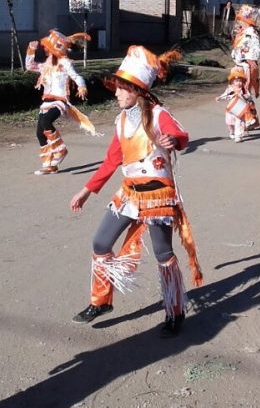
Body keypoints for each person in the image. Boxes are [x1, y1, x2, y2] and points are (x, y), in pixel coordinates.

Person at [69, 46, 203, 338]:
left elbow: (181, 135)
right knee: (100, 242)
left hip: (158, 195)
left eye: (120, 89)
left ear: (136, 90)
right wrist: (85, 191)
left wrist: (172, 140)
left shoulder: (158, 114)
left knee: (163, 253)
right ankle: (101, 302)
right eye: (116, 88)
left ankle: (175, 310)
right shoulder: (120, 121)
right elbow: (111, 161)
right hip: (129, 193)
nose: (115, 93)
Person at [26, 30, 99, 175]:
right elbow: (30, 66)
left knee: (47, 122)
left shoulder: (65, 62)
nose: (46, 50)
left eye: (48, 47)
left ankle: (61, 150)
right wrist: (31, 50)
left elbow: (76, 76)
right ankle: (50, 164)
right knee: (40, 133)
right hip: (46, 101)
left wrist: (82, 86)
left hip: (60, 101)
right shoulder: (46, 64)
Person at [216, 66, 258, 142]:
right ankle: (231, 131)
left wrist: (245, 97)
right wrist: (220, 97)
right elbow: (225, 95)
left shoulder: (244, 89)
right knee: (229, 123)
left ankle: (238, 136)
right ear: (232, 81)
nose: (239, 83)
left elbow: (249, 97)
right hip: (231, 109)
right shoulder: (230, 89)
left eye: (240, 81)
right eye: (237, 81)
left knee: (239, 122)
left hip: (240, 109)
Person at [231, 4, 260, 99]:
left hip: (246, 66)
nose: (239, 22)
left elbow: (255, 49)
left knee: (244, 92)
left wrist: (248, 60)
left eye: (240, 20)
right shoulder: (243, 33)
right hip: (240, 65)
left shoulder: (251, 33)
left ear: (245, 21)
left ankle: (246, 111)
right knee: (237, 91)